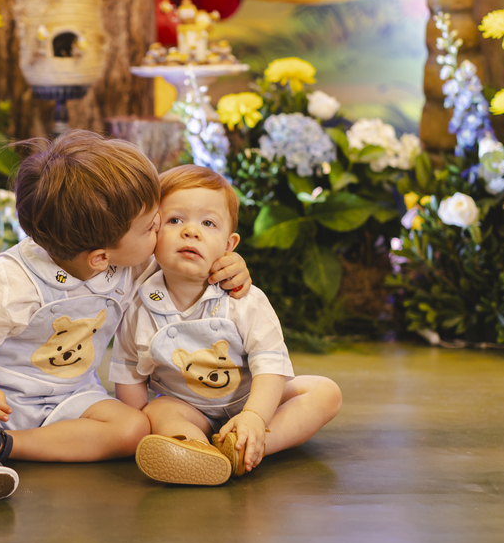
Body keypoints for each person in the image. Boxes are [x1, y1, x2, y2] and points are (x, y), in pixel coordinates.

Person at [0, 131, 252, 506]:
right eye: (150, 227)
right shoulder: (11, 279)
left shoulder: (129, 263)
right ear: (100, 258)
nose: (161, 227)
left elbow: (186, 263)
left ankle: (4, 448)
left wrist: (228, 263)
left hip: (71, 398)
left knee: (132, 427)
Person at [113, 165, 342, 486]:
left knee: (324, 392)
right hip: (187, 406)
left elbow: (270, 364)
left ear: (228, 245)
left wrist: (255, 416)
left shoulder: (244, 299)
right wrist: (142, 423)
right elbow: (128, 371)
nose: (191, 231)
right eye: (175, 220)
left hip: (252, 397)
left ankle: (247, 446)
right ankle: (193, 447)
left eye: (208, 223)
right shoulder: (140, 304)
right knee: (156, 412)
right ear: (153, 232)